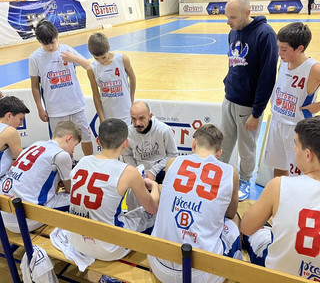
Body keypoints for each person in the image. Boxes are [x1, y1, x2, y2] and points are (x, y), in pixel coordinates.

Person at [148, 124, 242, 283]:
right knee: (235, 219)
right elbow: (230, 213)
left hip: (159, 264)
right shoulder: (230, 172)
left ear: (193, 143)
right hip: (201, 274)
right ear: (219, 153)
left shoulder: (172, 162)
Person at [241, 116, 320, 280]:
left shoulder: (278, 185)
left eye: (295, 144)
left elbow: (246, 227)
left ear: (308, 155)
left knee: (256, 230)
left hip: (277, 277)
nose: (293, 149)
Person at [69, 118, 159, 262]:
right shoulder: (128, 171)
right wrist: (154, 187)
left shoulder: (83, 162)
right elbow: (152, 208)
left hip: (76, 240)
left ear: (98, 141)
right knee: (153, 216)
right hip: (108, 248)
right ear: (125, 144)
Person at [220, 0, 278, 201]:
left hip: (248, 107)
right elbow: (233, 63)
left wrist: (257, 112)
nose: (228, 22)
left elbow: (268, 76)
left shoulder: (265, 35)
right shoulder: (233, 32)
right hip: (229, 99)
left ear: (247, 12)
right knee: (224, 144)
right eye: (227, 17)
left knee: (246, 148)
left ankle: (244, 180)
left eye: (232, 17)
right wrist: (227, 85)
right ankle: (220, 176)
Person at [1, 121, 82, 233]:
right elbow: (70, 190)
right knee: (81, 198)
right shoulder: (61, 155)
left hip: (5, 214)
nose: (73, 150)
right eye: (75, 145)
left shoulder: (36, 144)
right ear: (69, 138)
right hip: (25, 220)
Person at [264, 22, 320, 177]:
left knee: (297, 174)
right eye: (278, 47)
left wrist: (318, 106)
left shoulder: (314, 68)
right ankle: (280, 197)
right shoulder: (283, 62)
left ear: (300, 48)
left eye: (283, 49)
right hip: (277, 122)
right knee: (278, 166)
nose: (279, 52)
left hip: (296, 128)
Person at [29, 20, 93, 156]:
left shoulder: (67, 50)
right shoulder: (35, 58)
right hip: (55, 110)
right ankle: (64, 170)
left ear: (56, 36)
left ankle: (90, 164)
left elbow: (89, 66)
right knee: (60, 143)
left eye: (52, 42)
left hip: (76, 105)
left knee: (86, 136)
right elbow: (35, 85)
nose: (51, 47)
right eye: (46, 44)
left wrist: (74, 58)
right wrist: (40, 108)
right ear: (39, 41)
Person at [61, 32, 136, 125]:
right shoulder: (91, 68)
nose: (102, 61)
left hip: (125, 111)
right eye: (97, 58)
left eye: (104, 57)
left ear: (108, 48)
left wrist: (131, 100)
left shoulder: (122, 59)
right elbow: (96, 96)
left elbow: (133, 78)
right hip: (107, 114)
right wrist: (101, 117)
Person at [0, 96, 30, 179]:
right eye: (20, 119)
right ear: (9, 116)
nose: (20, 123)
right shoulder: (10, 131)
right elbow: (21, 160)